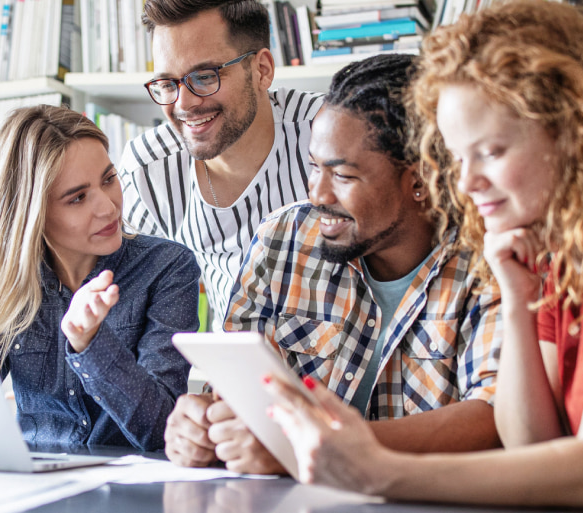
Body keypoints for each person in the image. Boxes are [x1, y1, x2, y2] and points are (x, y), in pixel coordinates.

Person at [262, 0, 583, 508]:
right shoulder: (558, 250)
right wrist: (519, 303)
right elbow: (531, 444)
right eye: (457, 158)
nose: (467, 183)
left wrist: (381, 472)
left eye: (492, 152)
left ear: (573, 132)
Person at [163, 54, 503, 473]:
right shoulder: (281, 240)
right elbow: (233, 393)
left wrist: (316, 445)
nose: (317, 194)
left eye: (341, 176)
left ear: (420, 180)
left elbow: (492, 416)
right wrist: (200, 425)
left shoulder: (489, 260)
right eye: (313, 167)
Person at [0, 105, 200, 451]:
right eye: (78, 198)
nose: (109, 207)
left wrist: (89, 343)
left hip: (130, 493)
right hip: (36, 490)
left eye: (109, 179)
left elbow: (162, 431)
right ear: (33, 213)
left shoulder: (168, 268)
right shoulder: (4, 283)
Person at [119, 0, 324, 328]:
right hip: (234, 373)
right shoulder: (146, 172)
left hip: (344, 374)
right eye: (168, 83)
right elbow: (135, 310)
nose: (184, 104)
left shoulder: (326, 134)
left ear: (261, 70)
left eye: (205, 76)